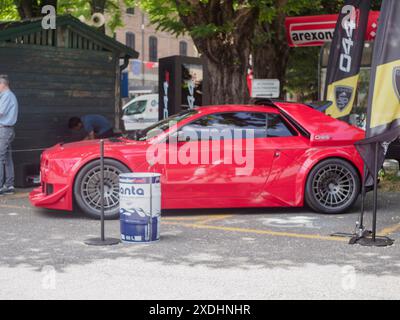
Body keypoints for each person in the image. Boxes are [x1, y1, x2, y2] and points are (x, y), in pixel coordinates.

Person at [0, 75, 18, 195]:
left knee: (0, 157)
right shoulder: (9, 95)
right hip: (8, 130)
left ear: (2, 85)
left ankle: (1, 186)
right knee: (7, 158)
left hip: (4, 130)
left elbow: (0, 112)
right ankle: (9, 185)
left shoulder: (6, 95)